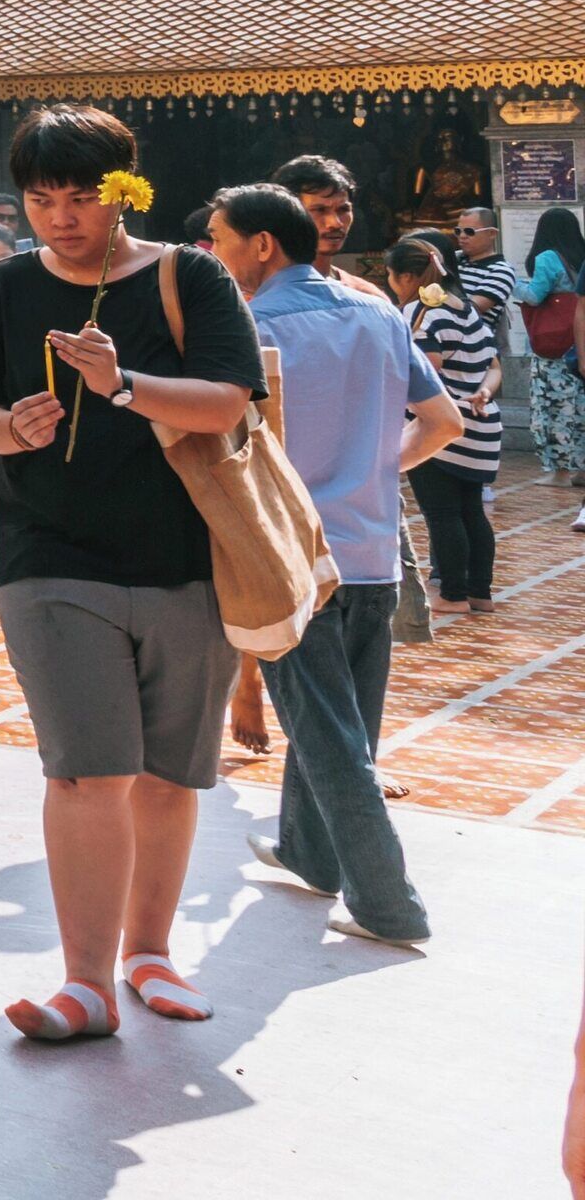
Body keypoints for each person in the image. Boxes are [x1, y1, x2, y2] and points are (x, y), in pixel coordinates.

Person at [0, 107, 263, 1041]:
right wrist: (15, 429)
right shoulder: (4, 289)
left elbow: (228, 399)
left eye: (82, 197)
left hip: (185, 558)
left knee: (169, 774)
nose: (61, 218)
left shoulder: (186, 275)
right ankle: (84, 984)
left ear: (122, 188)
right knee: (89, 770)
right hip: (51, 559)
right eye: (41, 200)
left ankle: (150, 954)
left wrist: (123, 386)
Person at [208, 184, 458, 951]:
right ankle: (309, 852)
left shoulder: (247, 325)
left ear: (261, 247)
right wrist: (378, 472)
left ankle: (388, 905)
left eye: (218, 239)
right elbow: (442, 422)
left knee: (330, 738)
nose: (212, 255)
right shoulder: (381, 312)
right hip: (374, 550)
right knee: (345, 726)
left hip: (296, 560)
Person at [394, 234, 502, 616]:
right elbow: (493, 364)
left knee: (442, 513)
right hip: (480, 423)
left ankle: (453, 594)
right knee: (471, 509)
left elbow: (427, 372)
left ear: (406, 277)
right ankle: (479, 593)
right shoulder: (465, 308)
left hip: (439, 426)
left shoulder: (421, 314)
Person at [518, 206, 585, 496]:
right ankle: (582, 469)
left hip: (552, 349)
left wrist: (513, 284)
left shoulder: (547, 258)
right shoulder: (580, 256)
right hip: (577, 345)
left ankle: (559, 472)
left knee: (553, 408)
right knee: (578, 409)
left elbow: (534, 296)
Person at [271, 155, 392, 299]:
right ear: (286, 214)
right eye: (319, 210)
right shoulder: (250, 300)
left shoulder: (368, 298)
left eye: (343, 210)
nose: (335, 223)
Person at [451, 203, 518, 343]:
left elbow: (470, 310)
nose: (462, 236)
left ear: (492, 233)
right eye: (458, 231)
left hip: (472, 348)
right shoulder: (452, 259)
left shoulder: (501, 270)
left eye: (469, 231)